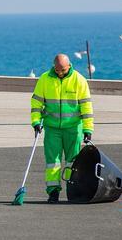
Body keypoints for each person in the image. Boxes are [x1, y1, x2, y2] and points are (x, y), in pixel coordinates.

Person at [30, 53, 94, 203]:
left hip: (73, 128)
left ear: (69, 65)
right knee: (53, 162)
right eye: (58, 70)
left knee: (74, 162)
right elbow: (36, 104)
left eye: (63, 70)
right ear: (54, 67)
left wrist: (88, 129)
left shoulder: (79, 80)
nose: (60, 73)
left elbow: (86, 106)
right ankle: (53, 192)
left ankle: (74, 191)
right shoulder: (45, 79)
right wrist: (35, 122)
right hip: (52, 128)